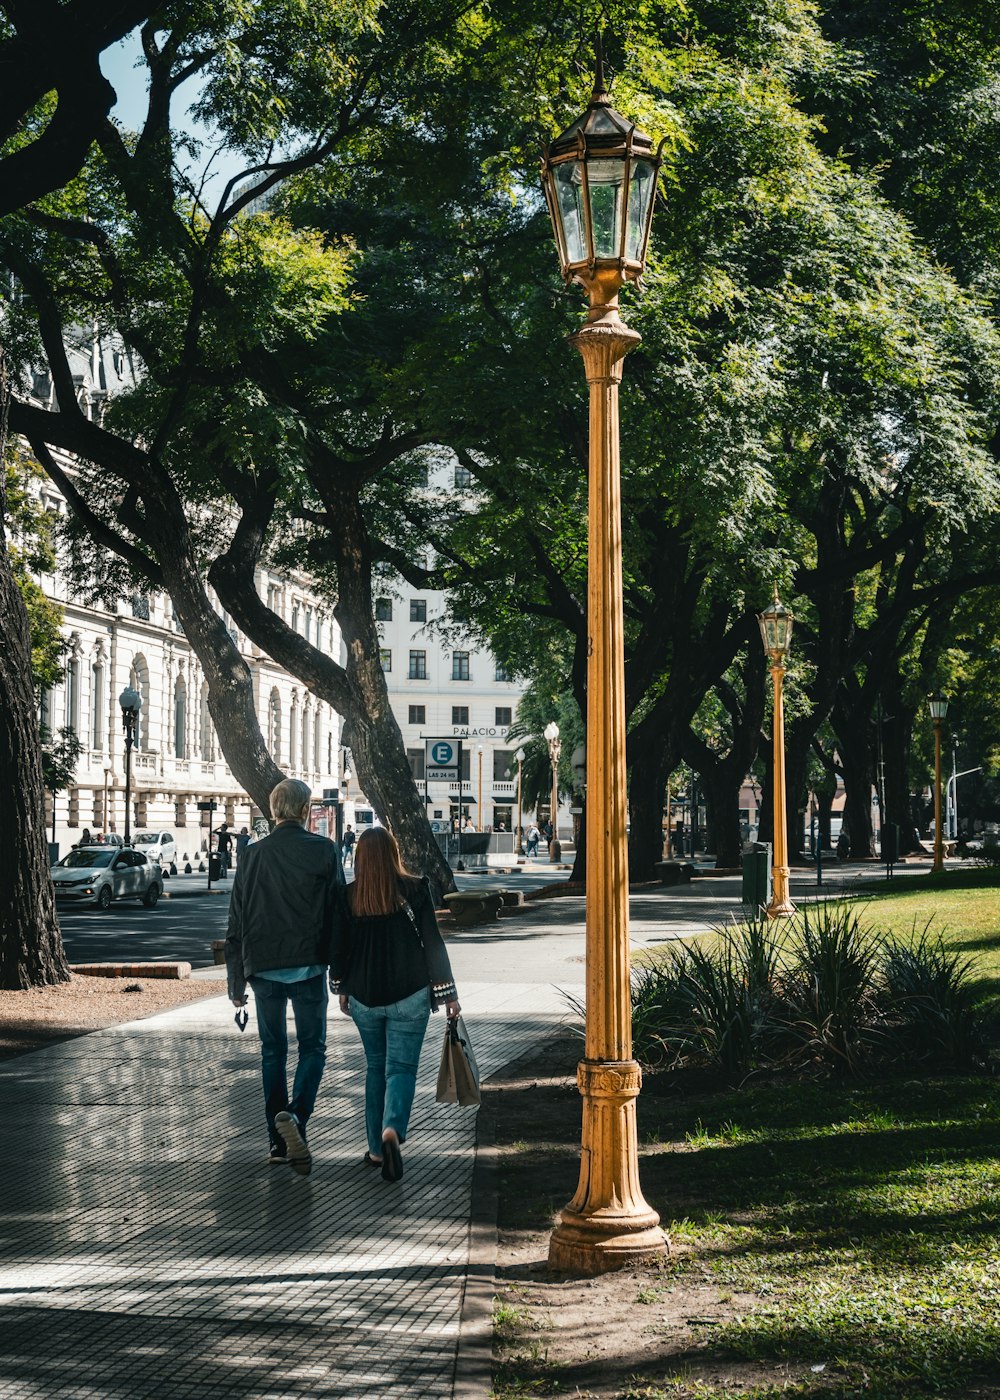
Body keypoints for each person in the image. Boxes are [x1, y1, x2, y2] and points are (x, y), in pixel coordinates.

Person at [225, 778, 345, 1173]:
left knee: (272, 1051)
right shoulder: (324, 850)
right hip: (310, 966)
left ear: (274, 811)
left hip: (263, 967)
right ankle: (296, 1118)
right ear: (306, 811)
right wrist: (339, 972)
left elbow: (237, 920)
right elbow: (338, 915)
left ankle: (277, 1143)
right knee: (313, 1048)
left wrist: (236, 983)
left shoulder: (252, 854)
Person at [330, 827, 460, 1184]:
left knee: (375, 1068)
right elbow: (432, 942)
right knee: (400, 1069)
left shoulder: (347, 896)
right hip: (410, 994)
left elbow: (338, 948)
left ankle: (375, 1149)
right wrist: (448, 994)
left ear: (360, 858)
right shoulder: (416, 889)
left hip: (364, 997)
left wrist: (340, 987)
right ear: (393, 853)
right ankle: (392, 1130)